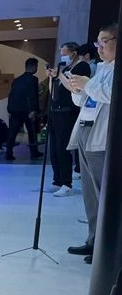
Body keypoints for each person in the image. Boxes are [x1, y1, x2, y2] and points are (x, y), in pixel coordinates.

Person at [61, 23, 116, 264]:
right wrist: (77, 89)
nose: (100, 47)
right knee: (90, 193)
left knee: (102, 193)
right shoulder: (102, 68)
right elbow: (85, 100)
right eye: (98, 43)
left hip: (101, 136)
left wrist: (87, 84)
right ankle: (94, 240)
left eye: (104, 42)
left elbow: (110, 95)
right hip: (85, 128)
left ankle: (107, 247)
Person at [45, 42, 91, 197]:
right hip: (55, 110)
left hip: (68, 112)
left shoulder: (82, 67)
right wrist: (52, 77)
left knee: (63, 148)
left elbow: (73, 88)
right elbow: (53, 91)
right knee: (54, 148)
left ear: (73, 53)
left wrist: (60, 75)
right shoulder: (64, 69)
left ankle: (66, 183)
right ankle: (57, 179)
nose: (62, 55)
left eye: (64, 53)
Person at [5, 58, 44, 161]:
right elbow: (33, 95)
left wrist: (9, 109)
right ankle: (34, 153)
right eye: (36, 66)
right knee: (32, 132)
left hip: (14, 110)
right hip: (27, 111)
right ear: (34, 66)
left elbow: (11, 95)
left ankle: (8, 153)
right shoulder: (33, 79)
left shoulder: (17, 80)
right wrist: (34, 110)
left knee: (12, 133)